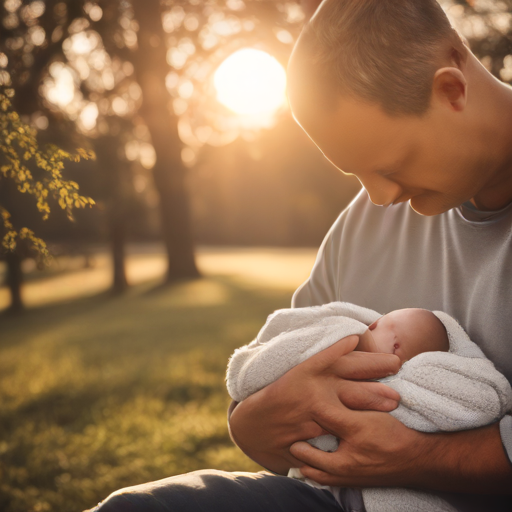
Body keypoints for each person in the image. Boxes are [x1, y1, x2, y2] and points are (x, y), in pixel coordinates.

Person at [89, 0, 512, 510]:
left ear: (452, 90)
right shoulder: (364, 224)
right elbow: (269, 379)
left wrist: (419, 457)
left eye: (392, 165)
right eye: (357, 173)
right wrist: (251, 422)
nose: (379, 198)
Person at [226, 302, 511, 512]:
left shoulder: (426, 385)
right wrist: (247, 422)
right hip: (307, 492)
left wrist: (418, 456)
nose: (371, 327)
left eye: (389, 333)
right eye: (378, 323)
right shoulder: (349, 231)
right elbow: (271, 361)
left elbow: (480, 401)